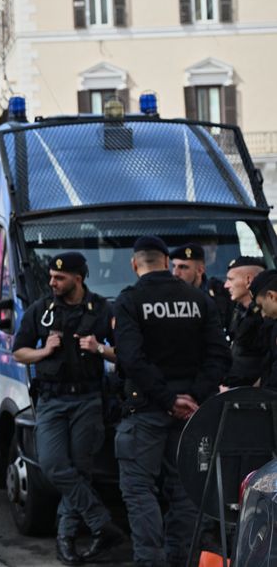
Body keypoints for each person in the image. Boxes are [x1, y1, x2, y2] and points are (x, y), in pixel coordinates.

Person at [113, 236, 230, 567]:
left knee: (138, 490)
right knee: (187, 492)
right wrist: (192, 396)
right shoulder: (199, 300)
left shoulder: (129, 300)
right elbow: (219, 356)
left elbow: (131, 359)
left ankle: (151, 562)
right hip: (193, 415)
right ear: (166, 262)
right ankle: (182, 560)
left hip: (147, 410)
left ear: (136, 264)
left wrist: (167, 398)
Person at [12, 252, 124, 565]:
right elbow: (19, 352)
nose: (52, 283)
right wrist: (44, 351)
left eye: (59, 278)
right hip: (51, 400)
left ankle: (66, 540)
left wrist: (99, 348)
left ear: (78, 277)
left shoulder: (102, 309)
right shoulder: (42, 310)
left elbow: (124, 353)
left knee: (81, 471)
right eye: (51, 277)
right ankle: (101, 522)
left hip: (88, 400)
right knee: (52, 464)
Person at [221, 257, 267, 388]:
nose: (225, 285)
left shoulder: (264, 317)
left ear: (249, 280)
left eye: (231, 279)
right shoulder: (238, 311)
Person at [170, 243, 232, 330]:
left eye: (183, 267)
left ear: (200, 270)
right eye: (173, 266)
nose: (175, 273)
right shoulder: (168, 295)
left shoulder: (219, 293)